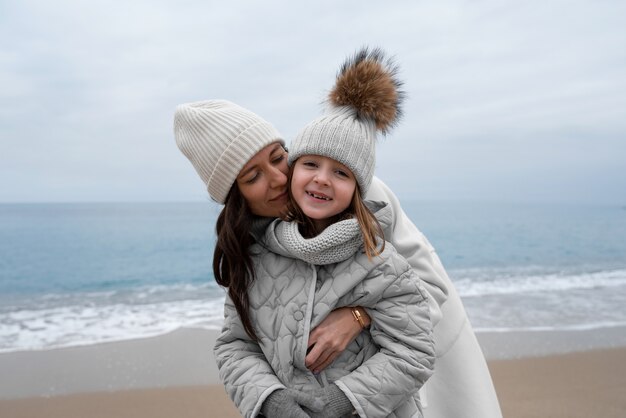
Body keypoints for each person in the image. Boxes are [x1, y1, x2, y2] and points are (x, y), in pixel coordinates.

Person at [174, 49, 502, 417]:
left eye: (279, 156)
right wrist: (271, 400)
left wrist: (358, 315)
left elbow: (426, 290)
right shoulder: (253, 251)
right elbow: (237, 344)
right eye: (253, 177)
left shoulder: (357, 198)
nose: (280, 178)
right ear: (236, 198)